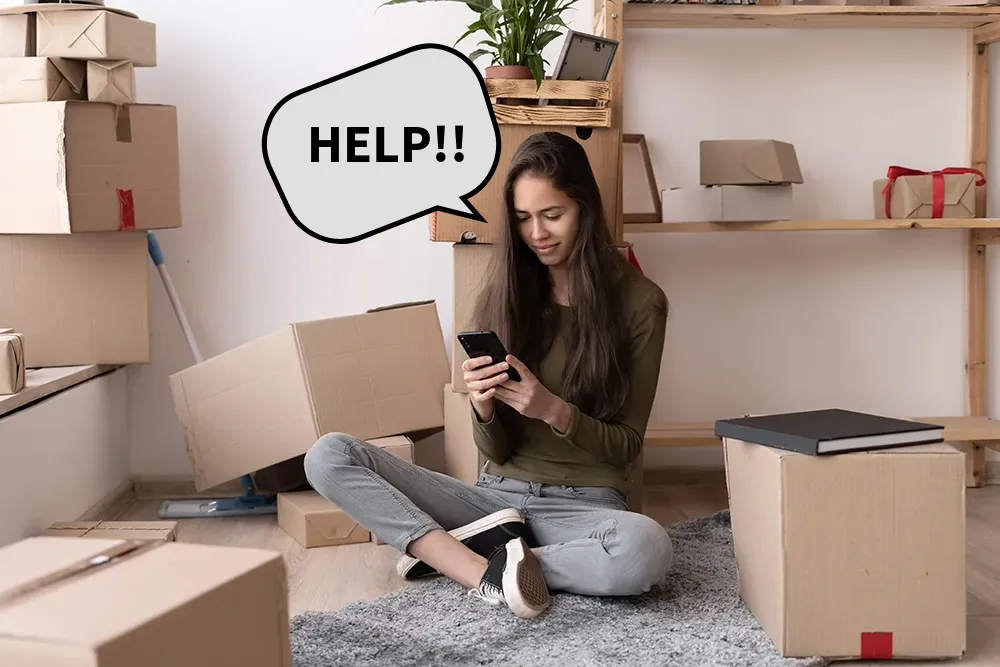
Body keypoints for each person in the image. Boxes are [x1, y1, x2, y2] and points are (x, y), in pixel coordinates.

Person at [304, 131, 671, 620]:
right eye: (522, 219)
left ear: (585, 207)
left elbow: (627, 444)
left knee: (647, 548)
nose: (536, 232)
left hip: (585, 509)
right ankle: (481, 573)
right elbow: (496, 452)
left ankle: (470, 560)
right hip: (494, 502)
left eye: (552, 215)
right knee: (329, 454)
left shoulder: (641, 303)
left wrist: (553, 411)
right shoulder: (505, 295)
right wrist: (482, 407)